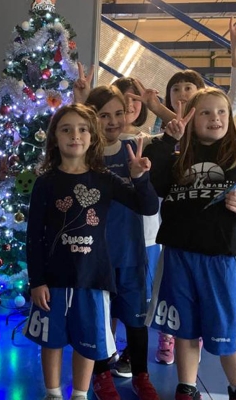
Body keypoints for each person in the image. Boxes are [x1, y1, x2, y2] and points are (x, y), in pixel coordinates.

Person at [144, 87, 236, 400]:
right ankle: (186, 387)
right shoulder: (179, 155)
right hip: (179, 256)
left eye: (221, 111)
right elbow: (154, 181)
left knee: (225, 332)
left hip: (219, 259)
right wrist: (167, 139)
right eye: (205, 112)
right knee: (184, 329)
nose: (215, 118)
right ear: (191, 118)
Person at [25, 103, 158, 400]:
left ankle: (81, 394)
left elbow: (148, 206)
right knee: (52, 340)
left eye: (83, 129)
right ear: (55, 138)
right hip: (54, 280)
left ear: (92, 137)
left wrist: (140, 178)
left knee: (89, 342)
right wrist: (37, 281)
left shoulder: (105, 180)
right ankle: (54, 393)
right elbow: (33, 236)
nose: (75, 135)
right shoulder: (45, 183)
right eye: (67, 129)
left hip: (93, 280)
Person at [84, 86, 158, 400]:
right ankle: (100, 376)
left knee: (136, 322)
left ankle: (141, 376)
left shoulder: (134, 148)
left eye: (118, 113)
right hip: (93, 257)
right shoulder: (84, 153)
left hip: (130, 253)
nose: (113, 121)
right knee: (99, 321)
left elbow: (150, 206)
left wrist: (139, 177)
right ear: (92, 118)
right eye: (104, 115)